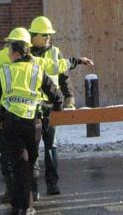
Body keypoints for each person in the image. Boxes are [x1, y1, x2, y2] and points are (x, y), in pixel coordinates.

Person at [0, 36, 63, 215]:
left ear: (17, 53)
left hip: (11, 123)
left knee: (19, 164)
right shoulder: (37, 70)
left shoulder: (5, 72)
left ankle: (19, 205)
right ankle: (26, 204)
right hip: (33, 123)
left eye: (10, 52)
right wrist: (56, 107)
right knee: (30, 163)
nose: (9, 55)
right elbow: (55, 95)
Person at [28, 15, 94, 198]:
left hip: (50, 106)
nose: (48, 38)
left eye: (50, 35)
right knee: (32, 147)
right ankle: (32, 188)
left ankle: (52, 183)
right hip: (32, 107)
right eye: (45, 35)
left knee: (50, 146)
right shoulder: (27, 54)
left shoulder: (55, 52)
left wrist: (69, 98)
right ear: (34, 36)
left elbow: (63, 76)